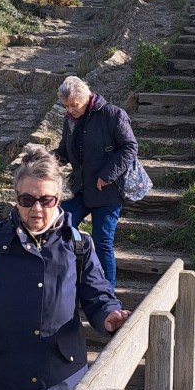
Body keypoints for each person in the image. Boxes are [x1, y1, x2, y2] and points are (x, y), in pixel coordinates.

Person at [0, 147, 131, 390]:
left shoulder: (79, 246)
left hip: (60, 384)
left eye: (46, 200)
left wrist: (109, 316)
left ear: (59, 199)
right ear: (16, 198)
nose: (36, 209)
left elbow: (98, 297)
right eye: (27, 199)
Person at [54, 75, 137, 291]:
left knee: (102, 242)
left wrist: (107, 174)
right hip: (82, 189)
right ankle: (68, 284)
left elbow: (129, 147)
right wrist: (45, 161)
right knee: (59, 227)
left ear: (87, 97)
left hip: (107, 191)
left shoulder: (113, 114)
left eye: (74, 105)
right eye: (66, 106)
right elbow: (64, 152)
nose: (70, 110)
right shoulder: (70, 120)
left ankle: (107, 295)